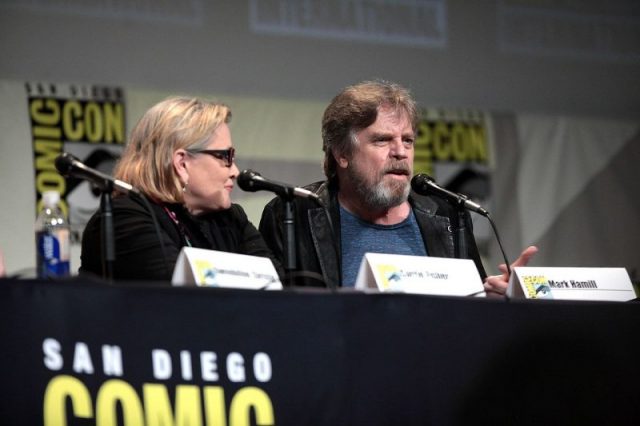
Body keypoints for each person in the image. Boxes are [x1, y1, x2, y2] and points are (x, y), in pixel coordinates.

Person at [259, 80, 536, 294]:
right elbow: (276, 315)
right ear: (341, 154)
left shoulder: (448, 216)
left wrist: (494, 300)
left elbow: (468, 312)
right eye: (382, 140)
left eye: (408, 140)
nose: (400, 152)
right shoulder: (295, 214)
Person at [80, 96, 281, 282]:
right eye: (225, 157)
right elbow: (182, 302)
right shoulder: (124, 217)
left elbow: (276, 291)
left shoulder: (232, 219)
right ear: (182, 163)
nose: (235, 172)